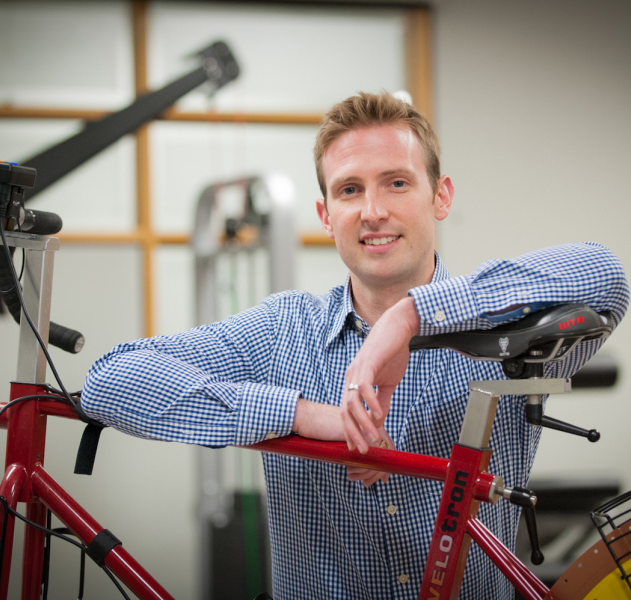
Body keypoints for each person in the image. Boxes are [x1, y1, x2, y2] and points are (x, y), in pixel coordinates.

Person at [81, 91, 629, 599]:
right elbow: (109, 378)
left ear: (441, 196)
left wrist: (407, 319)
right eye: (349, 189)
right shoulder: (282, 330)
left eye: (396, 182)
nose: (372, 211)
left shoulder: (509, 336)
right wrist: (310, 418)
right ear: (325, 216)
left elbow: (607, 276)